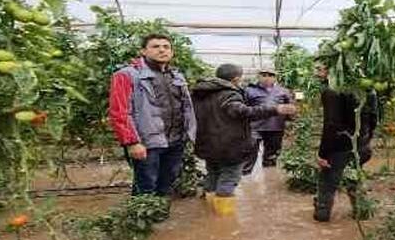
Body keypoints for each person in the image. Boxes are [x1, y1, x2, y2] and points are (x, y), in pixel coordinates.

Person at [192, 64, 297, 215]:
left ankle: (209, 213)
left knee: (213, 174)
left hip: (208, 143)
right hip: (228, 144)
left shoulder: (201, 92)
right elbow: (242, 111)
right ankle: (223, 220)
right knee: (229, 177)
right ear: (236, 79)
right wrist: (275, 109)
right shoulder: (230, 93)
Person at [108, 33, 196, 197]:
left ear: (172, 52)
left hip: (175, 141)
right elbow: (119, 111)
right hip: (147, 143)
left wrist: (189, 135)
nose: (162, 50)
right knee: (146, 187)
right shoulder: (127, 75)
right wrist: (132, 142)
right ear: (143, 51)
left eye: (166, 47)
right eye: (155, 46)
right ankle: (141, 218)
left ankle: (160, 215)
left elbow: (186, 108)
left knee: (166, 184)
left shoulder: (176, 77)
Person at [314, 62, 378, 222]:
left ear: (332, 69)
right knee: (354, 178)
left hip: (339, 147)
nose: (317, 72)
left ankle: (322, 216)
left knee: (327, 183)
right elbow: (374, 118)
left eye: (320, 68)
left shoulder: (331, 90)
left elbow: (331, 124)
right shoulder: (368, 89)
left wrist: (322, 154)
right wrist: (366, 140)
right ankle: (362, 213)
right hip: (361, 144)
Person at [242, 69, 294, 175]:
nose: (267, 77)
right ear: (258, 76)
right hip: (254, 127)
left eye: (270, 75)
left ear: (275, 77)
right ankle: (245, 178)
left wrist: (290, 121)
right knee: (249, 154)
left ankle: (269, 177)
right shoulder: (249, 90)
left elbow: (290, 107)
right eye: (264, 75)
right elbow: (243, 109)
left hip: (275, 127)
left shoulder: (283, 91)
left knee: (271, 156)